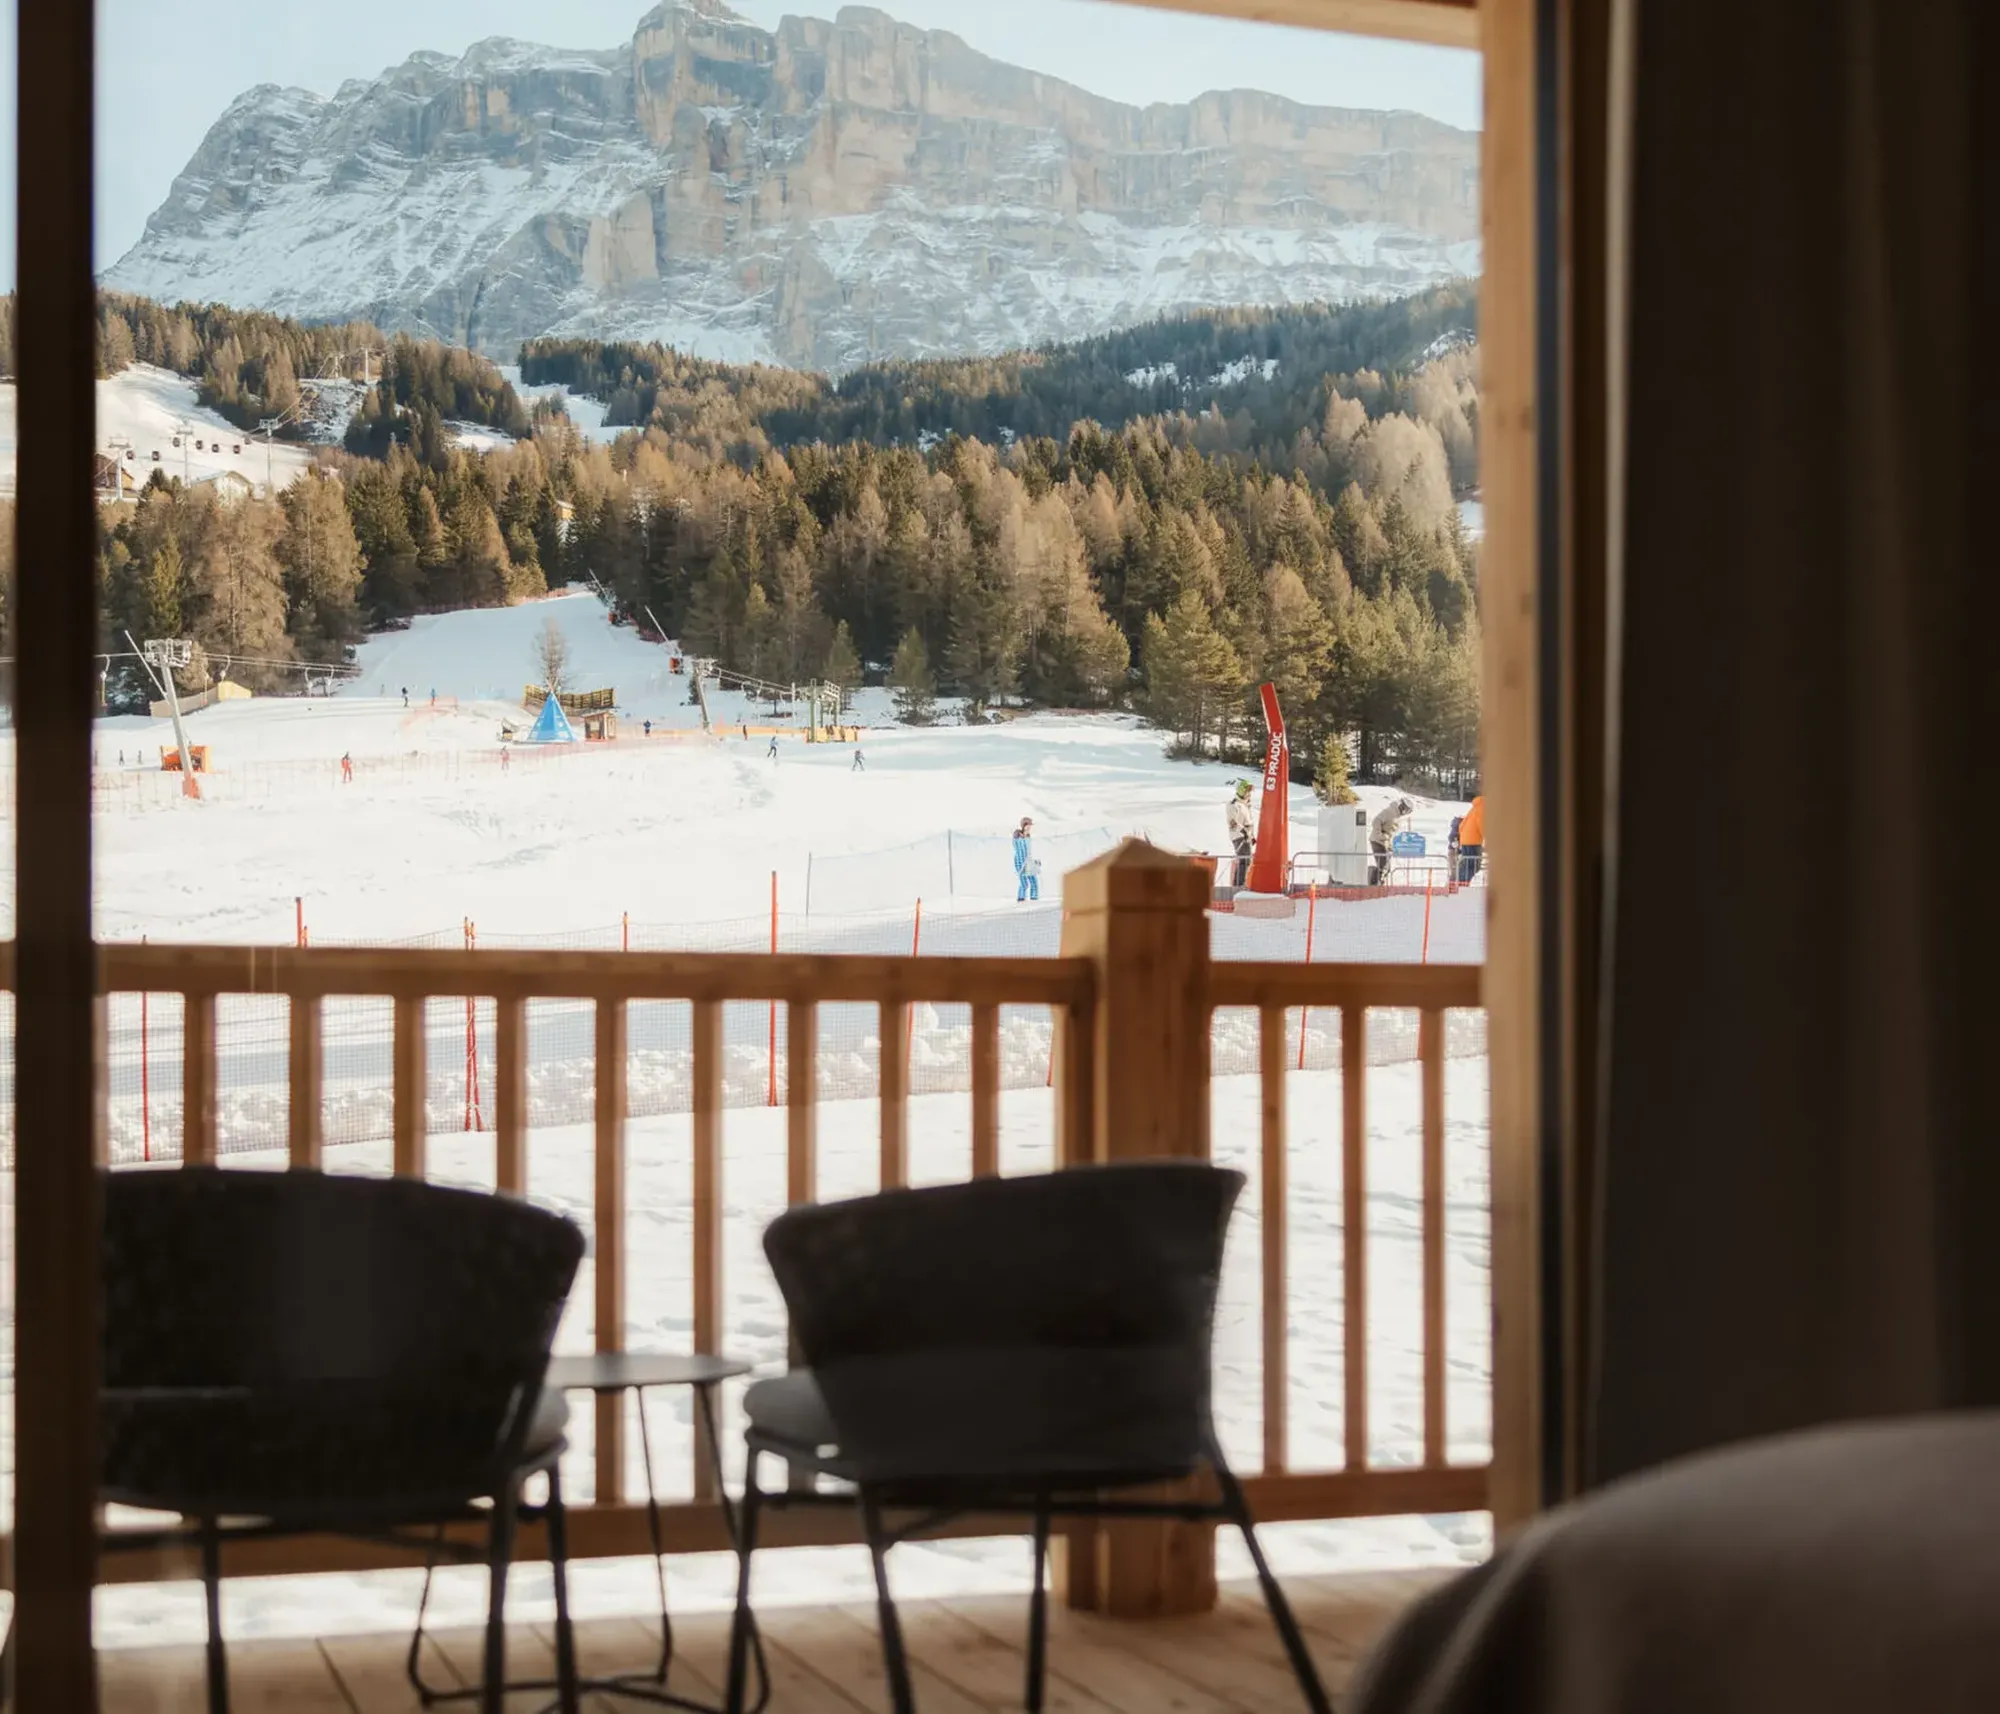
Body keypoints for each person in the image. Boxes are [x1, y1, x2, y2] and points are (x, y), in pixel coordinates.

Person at [1370, 796, 1415, 886]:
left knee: (1387, 867)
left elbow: (1390, 832)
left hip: (1385, 843)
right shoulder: (1390, 811)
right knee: (1383, 866)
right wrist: (1379, 834)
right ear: (1402, 807)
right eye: (1406, 809)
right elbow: (1376, 820)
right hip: (1378, 841)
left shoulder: (1398, 816)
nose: (1405, 812)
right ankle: (1375, 885)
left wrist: (1390, 846)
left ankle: (1378, 884)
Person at [1227, 780, 1256, 887]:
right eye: (1247, 791)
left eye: (1249, 792)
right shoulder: (1234, 804)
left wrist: (1251, 836)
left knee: (1247, 860)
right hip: (1239, 836)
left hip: (1246, 836)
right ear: (1241, 791)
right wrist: (1243, 831)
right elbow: (1233, 821)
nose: (1249, 794)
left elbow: (1248, 822)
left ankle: (1240, 883)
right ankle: (1238, 885)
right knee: (1244, 860)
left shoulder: (1245, 805)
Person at [1456, 793, 1486, 883]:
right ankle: (1461, 883)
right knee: (1473, 865)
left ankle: (1458, 882)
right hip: (1473, 841)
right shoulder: (1482, 808)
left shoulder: (1475, 808)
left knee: (1467, 864)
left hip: (1466, 840)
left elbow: (1461, 825)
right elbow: (1482, 824)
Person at [1013, 818, 1040, 902]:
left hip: (1028, 862)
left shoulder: (1028, 836)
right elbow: (1019, 851)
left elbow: (1028, 851)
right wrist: (1020, 866)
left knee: (1034, 882)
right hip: (1020, 862)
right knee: (1024, 883)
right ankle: (1021, 899)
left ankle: (1034, 899)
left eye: (1030, 825)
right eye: (1028, 825)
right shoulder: (1018, 836)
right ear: (1024, 825)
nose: (1029, 827)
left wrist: (1034, 862)